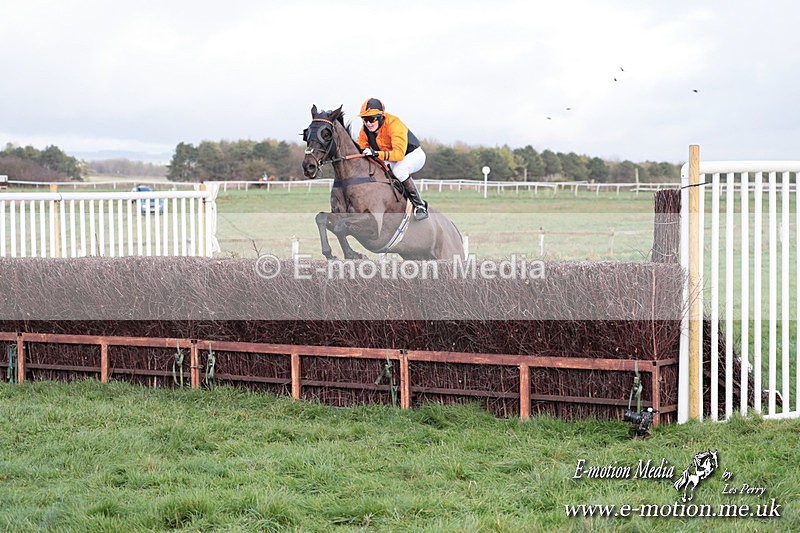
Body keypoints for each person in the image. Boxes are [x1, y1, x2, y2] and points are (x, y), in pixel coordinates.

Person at [356, 98, 429, 220]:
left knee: (399, 171)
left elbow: (398, 155)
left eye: (371, 119)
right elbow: (361, 147)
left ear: (380, 117)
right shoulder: (365, 130)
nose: (368, 123)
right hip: (390, 157)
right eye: (365, 119)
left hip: (412, 155)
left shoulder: (394, 124)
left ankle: (419, 205)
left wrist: (375, 153)